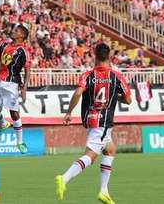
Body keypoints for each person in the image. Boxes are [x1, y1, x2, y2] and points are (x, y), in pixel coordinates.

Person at [55, 43, 132, 204]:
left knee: (110, 150)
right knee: (90, 156)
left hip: (90, 119)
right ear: (109, 56)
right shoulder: (116, 76)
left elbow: (78, 92)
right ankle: (64, 178)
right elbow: (128, 100)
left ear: (95, 55)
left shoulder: (87, 75)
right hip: (103, 121)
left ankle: (104, 191)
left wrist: (69, 112)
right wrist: (115, 96)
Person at [0, 24, 31, 154]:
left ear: (21, 36)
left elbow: (28, 70)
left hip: (12, 84)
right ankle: (2, 123)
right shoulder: (3, 45)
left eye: (16, 30)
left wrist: (24, 88)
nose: (13, 31)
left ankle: (19, 142)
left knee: (14, 113)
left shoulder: (23, 51)